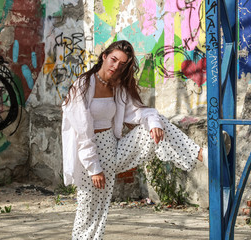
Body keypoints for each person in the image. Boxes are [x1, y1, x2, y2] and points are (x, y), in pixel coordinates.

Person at [62, 40, 204, 240]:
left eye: (122, 64)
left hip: (113, 150)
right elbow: (83, 133)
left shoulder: (117, 87)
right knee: (88, 207)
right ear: (104, 56)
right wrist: (94, 168)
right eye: (113, 60)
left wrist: (153, 123)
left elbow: (139, 112)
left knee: (157, 122)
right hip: (89, 158)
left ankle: (201, 155)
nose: (115, 67)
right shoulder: (83, 86)